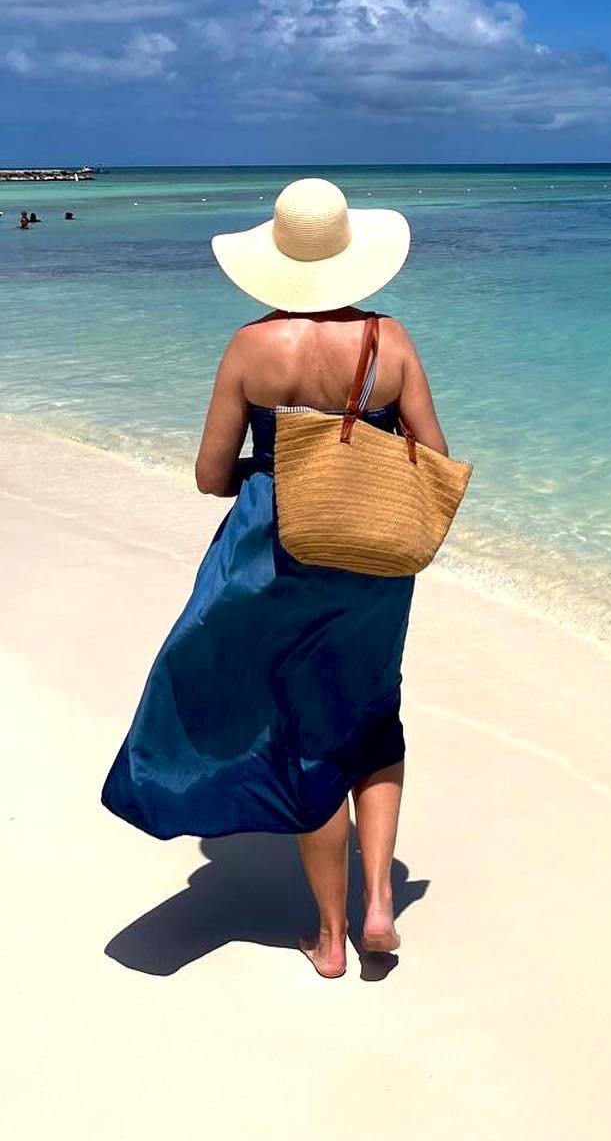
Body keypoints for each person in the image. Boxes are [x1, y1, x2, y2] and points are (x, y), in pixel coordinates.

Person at [101, 177, 448, 979]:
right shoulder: (388, 340)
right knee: (370, 711)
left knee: (303, 731)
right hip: (371, 558)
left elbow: (210, 473)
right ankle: (378, 907)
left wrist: (276, 469)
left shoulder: (251, 349)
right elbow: (431, 453)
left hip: (275, 553)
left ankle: (328, 938)